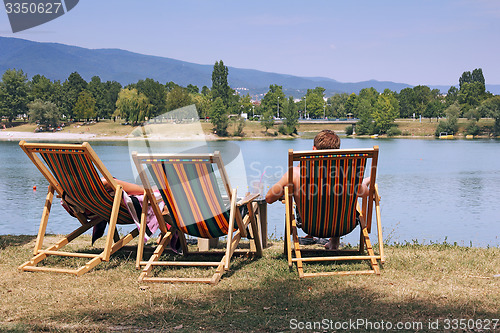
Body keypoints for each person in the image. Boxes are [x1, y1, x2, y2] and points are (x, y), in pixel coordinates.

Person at [265, 129, 370, 250]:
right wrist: (363, 182)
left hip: (310, 226)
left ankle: (333, 242)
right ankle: (334, 242)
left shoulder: (295, 173)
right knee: (336, 200)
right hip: (344, 226)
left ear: (314, 149)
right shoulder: (346, 175)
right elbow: (365, 193)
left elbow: (269, 198)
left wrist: (292, 184)